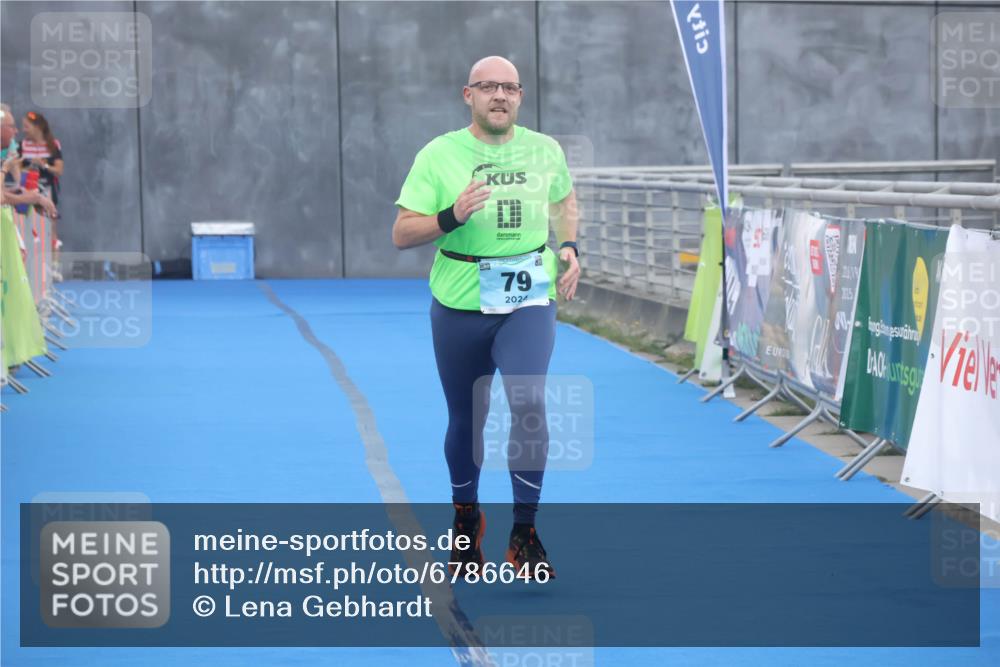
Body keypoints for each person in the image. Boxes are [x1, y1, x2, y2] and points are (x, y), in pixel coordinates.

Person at [393, 56, 580, 580]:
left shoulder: (545, 150)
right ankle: (466, 515)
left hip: (528, 296)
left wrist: (569, 245)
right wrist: (452, 215)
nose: (500, 95)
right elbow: (402, 232)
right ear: (467, 95)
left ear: (520, 96)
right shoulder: (439, 154)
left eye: (510, 87)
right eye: (488, 87)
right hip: (459, 299)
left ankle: (524, 531)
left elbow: (566, 200)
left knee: (528, 399)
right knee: (466, 417)